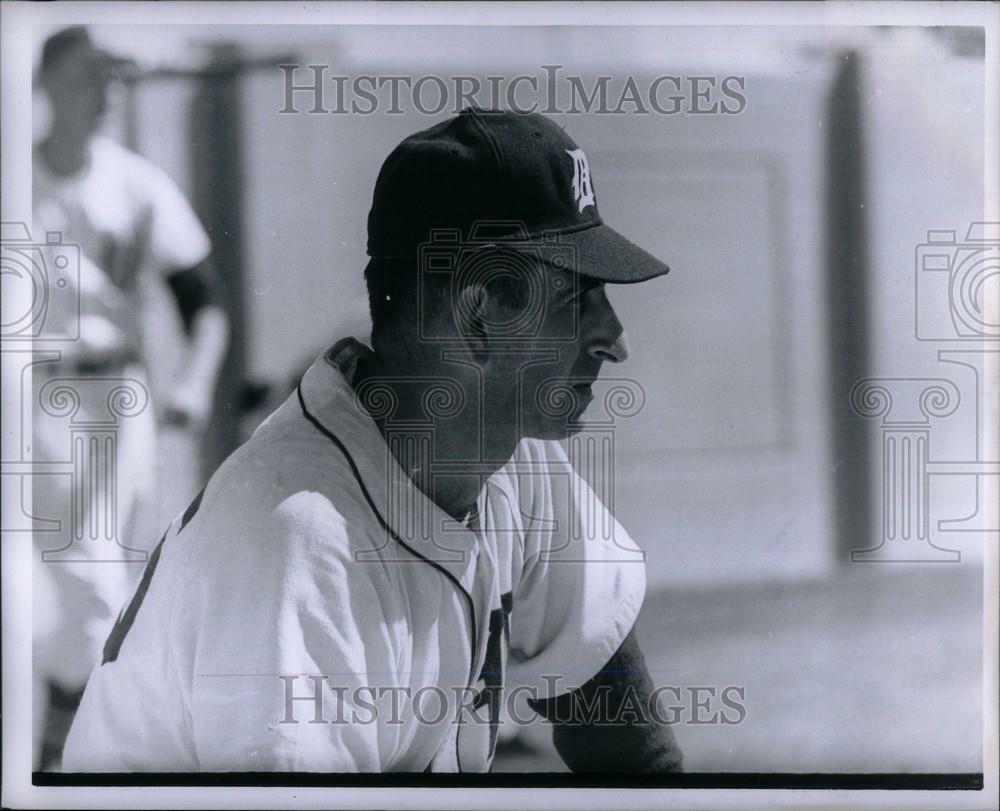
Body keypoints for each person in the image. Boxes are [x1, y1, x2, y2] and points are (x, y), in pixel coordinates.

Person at [62, 109, 682, 773]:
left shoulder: (515, 461)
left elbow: (626, 736)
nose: (613, 338)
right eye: (578, 298)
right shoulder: (298, 547)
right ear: (477, 317)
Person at [31, 26, 229, 769]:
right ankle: (68, 733)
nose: (106, 90)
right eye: (89, 74)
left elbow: (204, 299)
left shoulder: (136, 182)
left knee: (93, 571)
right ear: (46, 82)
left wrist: (196, 380)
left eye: (115, 76)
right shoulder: (13, 176)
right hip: (26, 389)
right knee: (54, 580)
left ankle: (76, 746)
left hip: (110, 394)